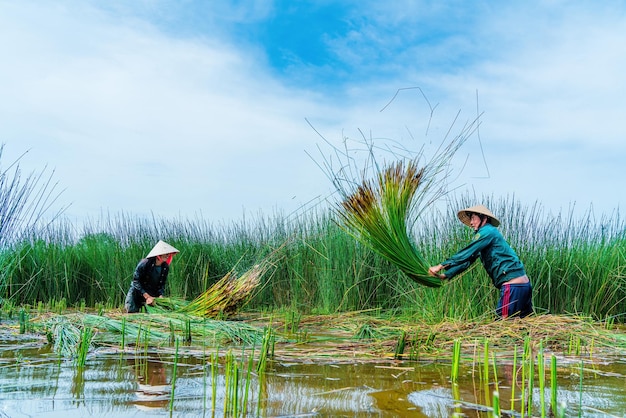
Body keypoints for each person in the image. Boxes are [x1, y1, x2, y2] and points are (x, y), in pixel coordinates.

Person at [428, 204, 533, 318]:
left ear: (484, 218)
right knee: (522, 326)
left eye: (473, 218)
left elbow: (467, 252)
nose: (471, 223)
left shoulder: (487, 231)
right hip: (523, 285)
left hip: (513, 286)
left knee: (503, 326)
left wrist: (440, 266)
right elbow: (468, 259)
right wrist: (446, 275)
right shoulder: (488, 235)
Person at [125, 240, 180, 313]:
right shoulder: (145, 263)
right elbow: (136, 281)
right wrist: (147, 296)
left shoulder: (165, 267)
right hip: (137, 292)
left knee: (151, 314)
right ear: (159, 255)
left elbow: (162, 284)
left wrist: (160, 295)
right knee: (131, 311)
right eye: (166, 254)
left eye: (168, 254)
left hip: (152, 293)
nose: (168, 256)